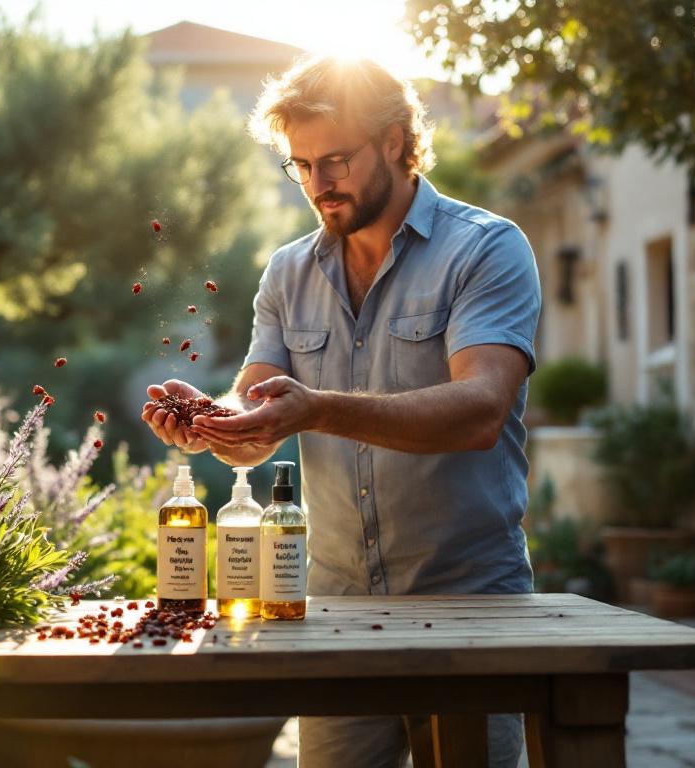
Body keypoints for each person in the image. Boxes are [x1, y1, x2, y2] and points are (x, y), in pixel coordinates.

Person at [141, 56, 541, 768]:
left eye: (335, 160)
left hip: (468, 601)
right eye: (300, 166)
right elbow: (260, 405)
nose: (317, 185)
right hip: (330, 603)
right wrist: (214, 421)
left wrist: (316, 410)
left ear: (394, 140)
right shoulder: (288, 272)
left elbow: (480, 411)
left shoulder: (485, 248)